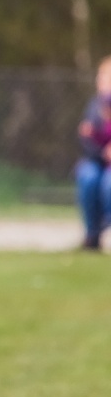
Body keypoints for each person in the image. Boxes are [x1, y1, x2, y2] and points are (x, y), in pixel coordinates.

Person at [76, 56, 111, 251]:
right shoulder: (94, 106)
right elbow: (87, 139)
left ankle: (106, 225)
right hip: (97, 160)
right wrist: (102, 152)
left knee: (109, 185)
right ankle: (92, 234)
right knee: (88, 176)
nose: (101, 81)